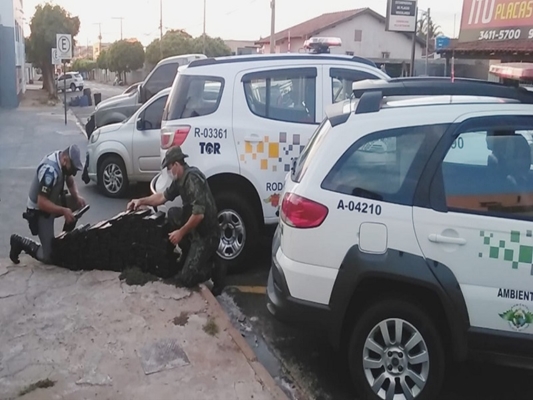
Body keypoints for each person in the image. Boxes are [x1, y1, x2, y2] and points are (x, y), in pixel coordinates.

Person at [126, 145, 225, 291]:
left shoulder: (192, 180)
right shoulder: (180, 179)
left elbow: (199, 215)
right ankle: (188, 253)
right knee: (173, 213)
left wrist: (180, 233)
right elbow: (161, 197)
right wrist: (140, 201)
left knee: (186, 278)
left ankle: (215, 267)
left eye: (169, 168)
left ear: (177, 164)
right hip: (195, 227)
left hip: (206, 234)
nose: (169, 171)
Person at [10, 145, 86, 264]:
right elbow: (42, 202)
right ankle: (19, 242)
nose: (74, 172)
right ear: (65, 159)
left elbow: (70, 182)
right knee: (48, 256)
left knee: (78, 203)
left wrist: (77, 197)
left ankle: (64, 240)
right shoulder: (50, 172)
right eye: (74, 168)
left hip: (52, 200)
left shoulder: (63, 162)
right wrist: (64, 211)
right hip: (39, 210)